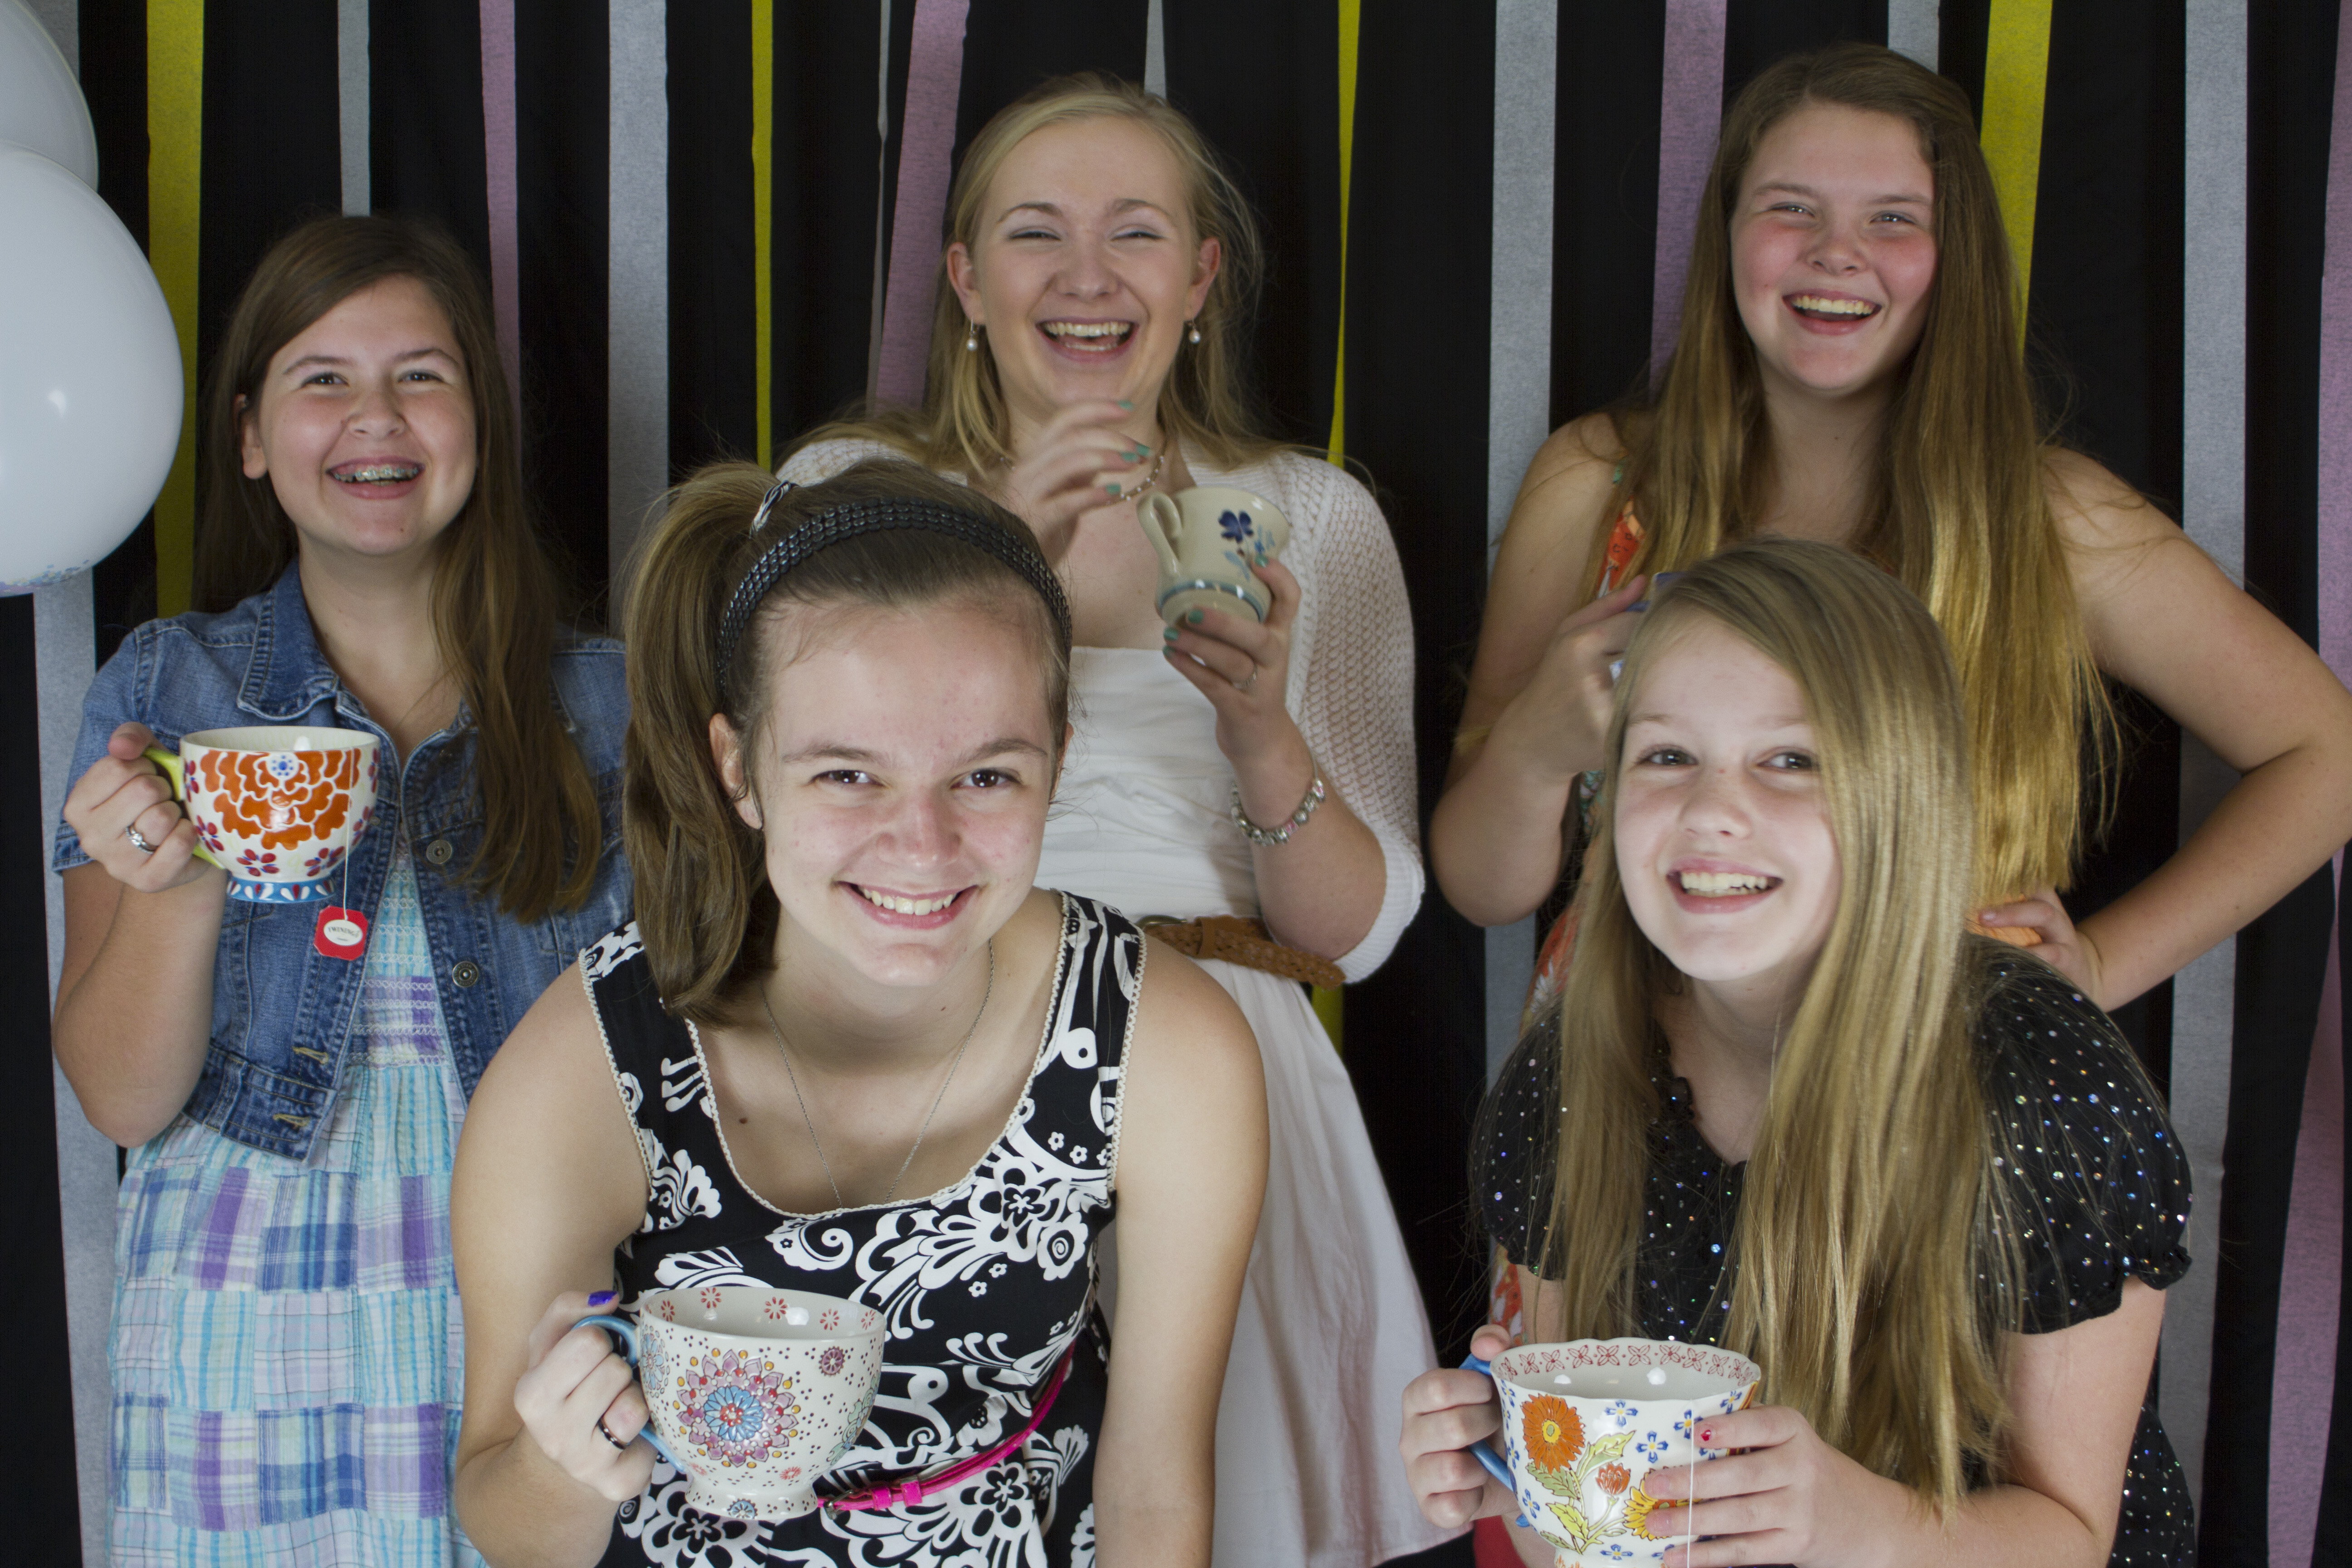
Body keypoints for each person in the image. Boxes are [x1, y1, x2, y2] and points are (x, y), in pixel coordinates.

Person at [777, 74, 1447, 1568]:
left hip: (1223, 1069)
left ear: (1200, 278)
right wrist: (986, 557)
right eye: (1037, 234)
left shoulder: (1310, 517)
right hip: (926, 1053)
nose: (1087, 278)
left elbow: (1354, 936)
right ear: (965, 279)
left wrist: (1259, 727)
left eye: (1135, 233)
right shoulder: (841, 494)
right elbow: (767, 824)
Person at [447, 461, 1267, 1567]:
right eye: (847, 776)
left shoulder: (1163, 1042)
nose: (922, 848)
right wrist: (562, 1462)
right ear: (739, 769)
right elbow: (505, 1524)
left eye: (987, 778)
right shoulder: (592, 1060)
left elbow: (1156, 1496)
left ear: (1059, 762)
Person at [1434, 42, 2352, 1025]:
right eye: (1792, 208)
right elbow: (1484, 892)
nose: (1837, 252)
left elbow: (2325, 753)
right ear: (1727, 234)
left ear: (1956, 259)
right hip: (1629, 1069)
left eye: (1893, 219)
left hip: (1925, 1078)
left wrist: (2097, 968)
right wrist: (1532, 749)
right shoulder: (1598, 484)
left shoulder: (2048, 522)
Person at [1402, 539, 2194, 1566]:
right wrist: (1525, 1483)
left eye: (1790, 760)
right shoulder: (1571, 1081)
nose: (1711, 811)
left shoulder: (2043, 1084)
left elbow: (2073, 1538)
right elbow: (1599, 1540)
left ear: (1902, 795)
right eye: (1667, 757)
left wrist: (1847, 1521)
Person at [51, 216, 631, 1567]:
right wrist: (178, 883)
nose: (377, 416)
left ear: (480, 424)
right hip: (240, 1305)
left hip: (541, 1291)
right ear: (253, 437)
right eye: (324, 379)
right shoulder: (166, 687)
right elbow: (122, 1102)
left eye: (422, 375)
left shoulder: (612, 704)